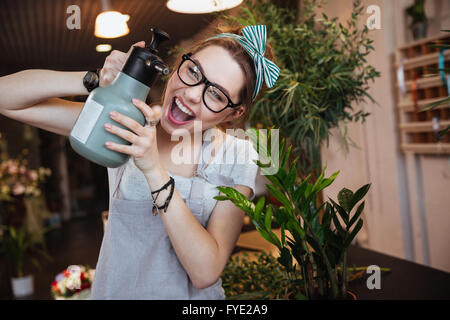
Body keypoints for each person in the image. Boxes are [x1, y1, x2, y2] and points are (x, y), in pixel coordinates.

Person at [0, 25, 279, 299]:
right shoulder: (124, 123)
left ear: (234, 113)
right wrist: (96, 80)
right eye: (193, 71)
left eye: (216, 94)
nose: (193, 93)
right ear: (180, 63)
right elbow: (6, 98)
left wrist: (153, 169)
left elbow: (205, 272)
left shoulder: (237, 157)